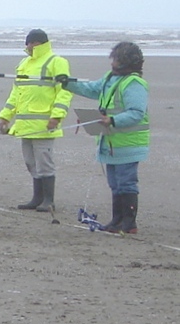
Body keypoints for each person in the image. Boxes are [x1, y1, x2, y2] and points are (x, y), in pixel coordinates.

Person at [58, 42, 149, 234]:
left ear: (126, 62)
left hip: (129, 143)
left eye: (116, 59)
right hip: (111, 142)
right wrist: (67, 83)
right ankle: (117, 220)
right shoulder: (110, 78)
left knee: (126, 183)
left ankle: (129, 223)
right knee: (114, 183)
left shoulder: (134, 83)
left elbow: (136, 113)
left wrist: (112, 120)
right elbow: (91, 89)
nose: (112, 63)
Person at [0, 29, 71, 212]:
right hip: (24, 124)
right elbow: (16, 93)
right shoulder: (24, 63)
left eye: (31, 43)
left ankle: (49, 200)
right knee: (31, 162)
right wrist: (5, 116)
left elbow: (64, 91)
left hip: (44, 124)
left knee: (44, 163)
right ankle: (37, 198)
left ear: (40, 43)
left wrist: (57, 116)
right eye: (27, 43)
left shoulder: (57, 62)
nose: (28, 46)